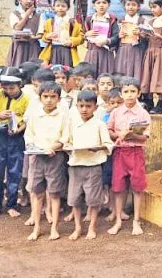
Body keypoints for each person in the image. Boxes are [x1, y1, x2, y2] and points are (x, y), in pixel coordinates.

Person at [60, 90, 115, 241]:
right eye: (81, 106)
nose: (84, 109)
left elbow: (108, 144)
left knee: (93, 199)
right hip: (75, 165)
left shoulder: (100, 124)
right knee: (74, 198)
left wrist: (98, 148)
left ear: (95, 107)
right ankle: (77, 227)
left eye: (88, 106)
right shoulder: (72, 123)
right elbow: (66, 141)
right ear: (77, 106)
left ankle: (92, 226)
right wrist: (67, 147)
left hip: (93, 166)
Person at [23, 81, 67, 242]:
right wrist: (36, 147)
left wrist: (52, 147)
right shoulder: (35, 116)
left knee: (54, 193)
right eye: (45, 96)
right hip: (37, 157)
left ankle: (54, 228)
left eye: (53, 97)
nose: (49, 100)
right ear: (40, 98)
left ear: (59, 99)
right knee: (36, 193)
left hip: (55, 157)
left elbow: (65, 137)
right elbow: (29, 136)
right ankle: (37, 228)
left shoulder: (63, 116)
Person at [107, 78, 150, 236]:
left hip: (136, 152)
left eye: (133, 91)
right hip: (120, 152)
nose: (129, 95)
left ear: (139, 93)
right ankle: (118, 220)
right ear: (121, 94)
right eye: (126, 92)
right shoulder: (116, 112)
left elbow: (144, 137)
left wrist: (132, 135)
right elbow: (109, 131)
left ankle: (136, 220)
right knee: (118, 187)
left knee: (137, 187)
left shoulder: (143, 113)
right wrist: (118, 135)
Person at [0, 72, 29, 218]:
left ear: (20, 85)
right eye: (5, 88)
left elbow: (27, 120)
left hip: (16, 138)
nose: (8, 91)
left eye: (12, 88)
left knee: (14, 171)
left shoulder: (27, 99)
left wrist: (18, 130)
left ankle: (11, 204)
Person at [37, 0, 82, 67]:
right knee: (53, 68)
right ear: (53, 6)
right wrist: (47, 36)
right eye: (58, 6)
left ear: (68, 7)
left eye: (63, 6)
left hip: (68, 50)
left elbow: (81, 37)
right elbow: (44, 37)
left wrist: (72, 41)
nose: (60, 8)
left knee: (67, 69)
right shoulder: (49, 22)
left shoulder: (73, 22)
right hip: (53, 50)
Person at [84, 0, 119, 75]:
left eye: (104, 3)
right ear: (94, 6)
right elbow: (82, 34)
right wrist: (86, 34)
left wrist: (107, 41)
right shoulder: (89, 19)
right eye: (98, 3)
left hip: (106, 52)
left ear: (108, 5)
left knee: (105, 73)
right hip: (92, 51)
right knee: (90, 74)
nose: (101, 5)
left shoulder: (112, 19)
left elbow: (116, 36)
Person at [115, 0, 147, 79]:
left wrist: (140, 34)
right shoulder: (120, 20)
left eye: (134, 5)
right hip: (123, 49)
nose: (131, 7)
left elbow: (147, 36)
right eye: (128, 5)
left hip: (137, 50)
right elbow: (115, 35)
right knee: (122, 69)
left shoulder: (142, 20)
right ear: (124, 6)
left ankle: (136, 86)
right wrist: (119, 35)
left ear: (138, 6)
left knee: (137, 70)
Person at [7, 0, 41, 67]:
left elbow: (40, 34)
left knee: (32, 68)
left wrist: (33, 37)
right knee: (18, 67)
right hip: (19, 47)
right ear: (19, 0)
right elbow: (17, 28)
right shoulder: (14, 14)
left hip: (33, 47)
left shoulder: (39, 16)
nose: (29, 1)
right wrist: (27, 14)